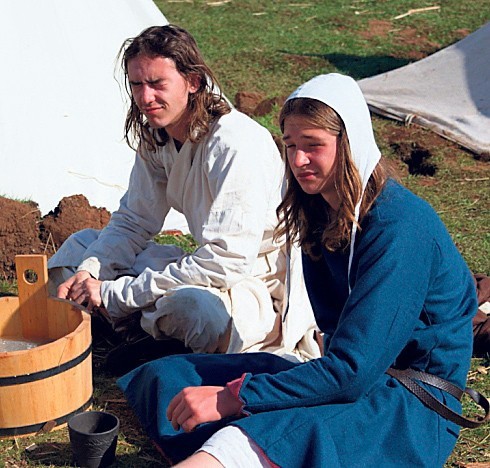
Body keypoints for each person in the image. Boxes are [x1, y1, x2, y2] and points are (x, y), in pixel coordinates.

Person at [117, 73, 484, 467]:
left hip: (408, 403)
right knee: (171, 379)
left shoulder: (401, 229)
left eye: (313, 146)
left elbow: (352, 371)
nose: (297, 161)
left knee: (250, 438)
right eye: (290, 146)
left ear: (351, 145)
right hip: (347, 375)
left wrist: (235, 398)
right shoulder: (319, 211)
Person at [47, 24, 320, 372]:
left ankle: (136, 331)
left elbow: (227, 261)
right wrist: (89, 274)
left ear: (192, 82)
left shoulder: (235, 143)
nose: (145, 98)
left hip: (253, 282)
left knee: (192, 308)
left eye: (157, 84)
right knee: (78, 247)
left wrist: (117, 293)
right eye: (136, 85)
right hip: (205, 264)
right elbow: (134, 220)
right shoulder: (157, 136)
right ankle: (141, 331)